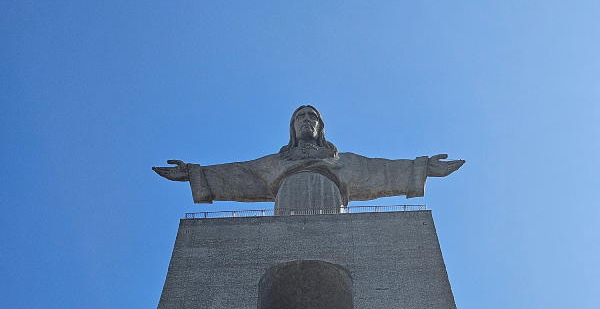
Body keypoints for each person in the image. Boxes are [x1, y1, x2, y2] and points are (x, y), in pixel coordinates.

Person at [153, 105, 464, 212]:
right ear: (292, 127)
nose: (305, 120)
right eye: (300, 117)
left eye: (311, 117)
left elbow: (378, 170)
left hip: (330, 204)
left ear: (319, 127)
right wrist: (194, 174)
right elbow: (239, 174)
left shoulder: (340, 160)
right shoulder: (275, 163)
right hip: (286, 204)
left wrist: (422, 168)